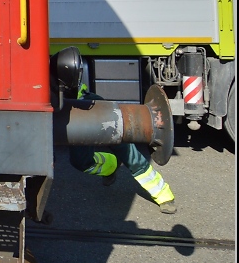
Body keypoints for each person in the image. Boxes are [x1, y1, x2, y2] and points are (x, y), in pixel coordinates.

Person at [68, 85, 177, 214]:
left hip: (85, 103)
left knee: (127, 152)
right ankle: (111, 165)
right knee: (80, 162)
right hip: (66, 112)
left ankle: (162, 194)